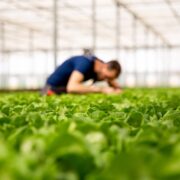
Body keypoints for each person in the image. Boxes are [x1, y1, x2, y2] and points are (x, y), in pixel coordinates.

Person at [42, 54, 122, 95]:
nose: (105, 80)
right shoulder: (85, 63)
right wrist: (101, 89)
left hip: (63, 90)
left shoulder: (99, 67)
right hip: (49, 90)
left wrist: (117, 88)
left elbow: (112, 81)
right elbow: (72, 88)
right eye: (106, 77)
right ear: (105, 66)